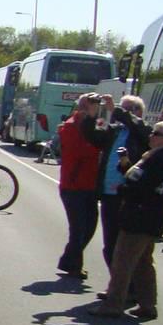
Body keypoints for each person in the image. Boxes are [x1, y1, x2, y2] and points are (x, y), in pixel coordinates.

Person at [90, 121, 163, 320]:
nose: (151, 136)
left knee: (122, 261)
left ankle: (113, 304)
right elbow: (140, 179)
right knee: (142, 263)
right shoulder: (155, 156)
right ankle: (148, 305)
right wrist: (125, 165)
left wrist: (124, 190)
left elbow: (146, 187)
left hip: (140, 216)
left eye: (157, 133)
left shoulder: (162, 160)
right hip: (146, 216)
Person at [83, 94, 150, 270]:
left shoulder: (143, 131)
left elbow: (137, 125)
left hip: (127, 195)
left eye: (126, 109)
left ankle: (128, 283)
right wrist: (92, 114)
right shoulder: (115, 131)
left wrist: (115, 109)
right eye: (121, 108)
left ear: (138, 112)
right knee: (110, 245)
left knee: (127, 247)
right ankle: (117, 281)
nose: (121, 112)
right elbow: (93, 137)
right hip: (108, 193)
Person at [56, 93, 102, 280]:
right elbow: (80, 150)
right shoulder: (70, 125)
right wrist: (99, 148)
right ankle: (74, 266)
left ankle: (68, 260)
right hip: (73, 185)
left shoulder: (95, 123)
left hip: (90, 184)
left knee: (90, 225)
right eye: (90, 106)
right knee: (78, 228)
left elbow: (103, 138)